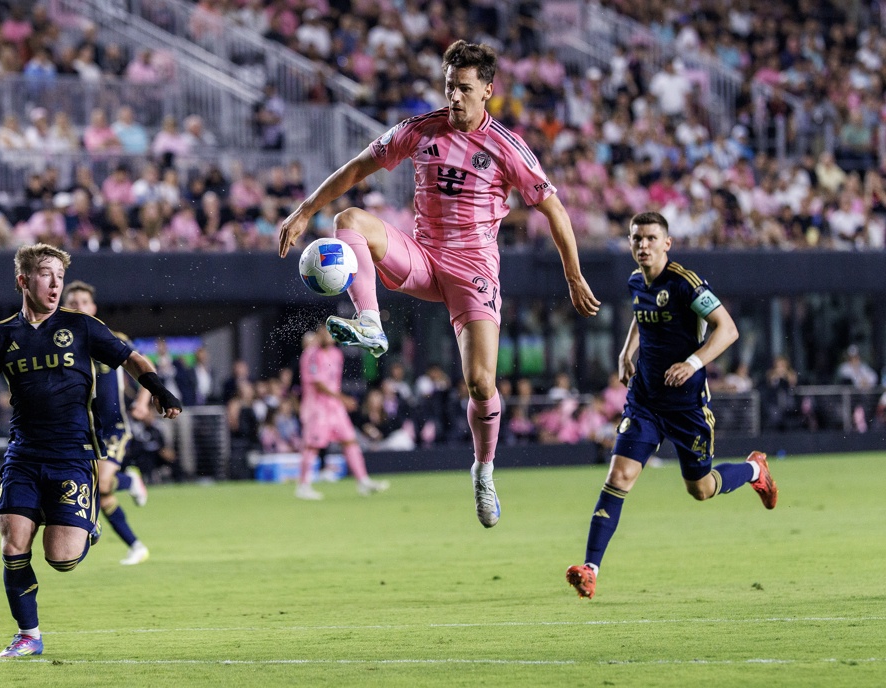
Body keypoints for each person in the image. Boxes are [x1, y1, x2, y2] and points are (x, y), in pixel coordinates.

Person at [279, 40, 599, 527]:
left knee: (480, 381)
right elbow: (357, 168)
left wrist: (573, 275)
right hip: (423, 258)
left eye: (465, 88)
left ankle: (484, 469)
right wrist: (305, 210)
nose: (454, 96)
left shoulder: (508, 148)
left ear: (488, 90)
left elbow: (553, 209)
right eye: (449, 86)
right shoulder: (418, 130)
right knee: (351, 219)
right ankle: (369, 322)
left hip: (473, 273)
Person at [0, 244, 181, 658]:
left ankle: (87, 524)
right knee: (12, 544)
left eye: (59, 276)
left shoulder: (83, 326)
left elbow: (131, 358)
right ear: (23, 281)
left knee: (62, 558)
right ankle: (29, 635)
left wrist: (158, 389)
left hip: (72, 454)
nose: (55, 285)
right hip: (23, 454)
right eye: (45, 275)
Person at [565, 212, 777, 600]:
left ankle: (752, 469)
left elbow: (728, 329)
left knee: (699, 489)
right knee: (619, 477)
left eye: (649, 238)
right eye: (636, 239)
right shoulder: (635, 281)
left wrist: (693, 362)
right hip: (645, 401)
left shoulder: (686, 284)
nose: (642, 245)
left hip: (687, 408)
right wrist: (627, 352)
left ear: (667, 243)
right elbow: (640, 317)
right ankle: (590, 569)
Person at [64, 280, 151, 566]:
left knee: (101, 485)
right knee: (104, 493)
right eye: (73, 303)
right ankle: (136, 546)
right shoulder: (61, 345)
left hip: (114, 428)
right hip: (82, 432)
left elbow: (145, 369)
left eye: (83, 303)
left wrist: (141, 401)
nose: (78, 307)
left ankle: (128, 480)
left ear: (93, 308)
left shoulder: (113, 338)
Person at [295, 328, 389, 500]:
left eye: (331, 333)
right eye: (325, 332)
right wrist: (343, 398)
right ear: (319, 335)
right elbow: (318, 384)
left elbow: (332, 382)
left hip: (334, 407)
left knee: (349, 440)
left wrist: (339, 400)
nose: (329, 336)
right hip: (317, 408)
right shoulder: (311, 354)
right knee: (312, 445)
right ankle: (303, 485)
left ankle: (363, 481)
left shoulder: (337, 354)